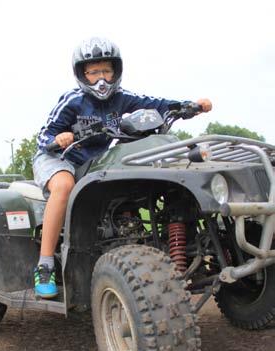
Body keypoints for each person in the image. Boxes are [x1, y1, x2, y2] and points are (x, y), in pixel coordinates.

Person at [32, 36, 212, 299]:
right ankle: (45, 264)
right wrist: (57, 139)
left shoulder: (122, 98)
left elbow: (158, 103)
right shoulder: (72, 100)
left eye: (106, 70)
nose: (101, 78)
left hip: (95, 160)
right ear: (83, 74)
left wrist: (189, 106)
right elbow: (43, 137)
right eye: (93, 72)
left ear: (116, 71)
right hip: (60, 158)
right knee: (64, 186)